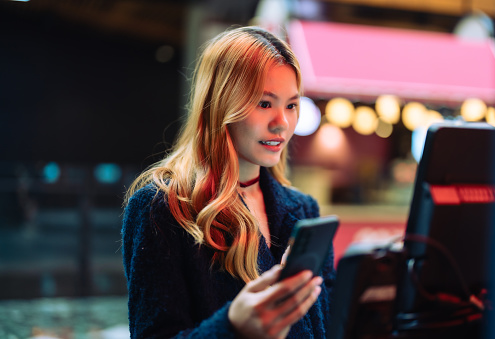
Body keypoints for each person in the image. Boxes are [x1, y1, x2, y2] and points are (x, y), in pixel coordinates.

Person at [122, 26, 335, 338]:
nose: (282, 123)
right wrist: (232, 328)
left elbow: (329, 324)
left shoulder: (304, 209)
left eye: (291, 105)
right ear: (221, 103)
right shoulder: (160, 207)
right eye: (265, 103)